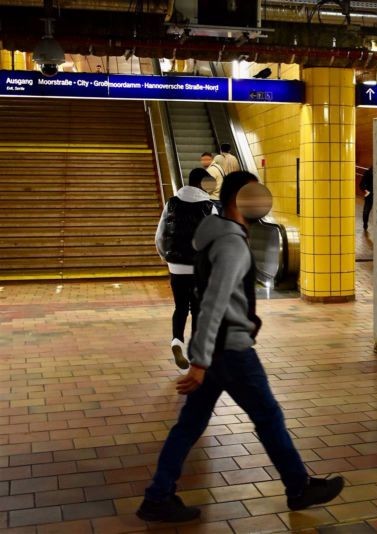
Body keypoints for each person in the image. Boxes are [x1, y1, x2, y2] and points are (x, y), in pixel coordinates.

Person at [137, 171, 344, 523]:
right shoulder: (231, 243)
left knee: (189, 425)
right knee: (268, 417)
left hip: (218, 348)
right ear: (241, 200)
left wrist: (203, 357)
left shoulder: (217, 236)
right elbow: (215, 302)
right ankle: (298, 487)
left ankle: (158, 496)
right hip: (230, 350)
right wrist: (199, 362)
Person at [155, 168, 217, 370]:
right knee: (199, 310)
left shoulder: (171, 203)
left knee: (180, 308)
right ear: (202, 183)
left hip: (177, 267)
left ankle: (176, 342)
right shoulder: (209, 207)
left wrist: (166, 258)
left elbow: (160, 234)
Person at [360, 166, 374, 232]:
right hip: (369, 195)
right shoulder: (368, 172)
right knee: (366, 212)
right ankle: (365, 224)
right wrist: (367, 192)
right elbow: (361, 184)